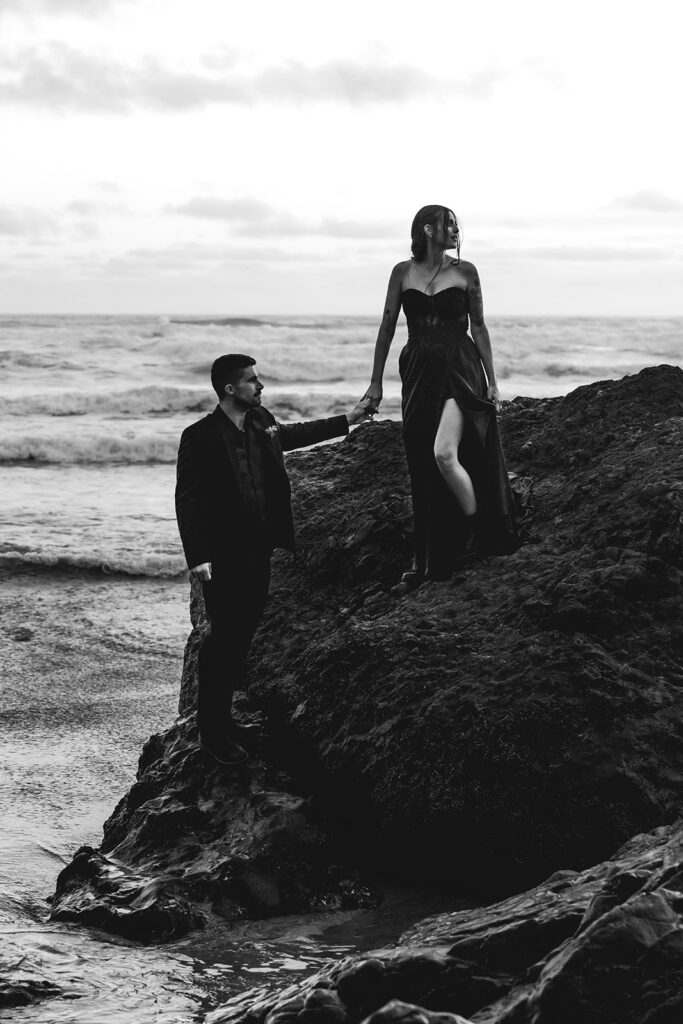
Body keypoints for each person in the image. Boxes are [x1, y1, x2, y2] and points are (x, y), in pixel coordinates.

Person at [176, 354, 372, 765]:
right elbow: (188, 500)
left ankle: (224, 720)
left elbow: (294, 434)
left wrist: (348, 419)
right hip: (222, 555)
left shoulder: (262, 420)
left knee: (242, 636)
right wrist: (197, 557)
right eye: (252, 380)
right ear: (230, 389)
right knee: (220, 641)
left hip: (257, 548)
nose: (260, 385)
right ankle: (210, 732)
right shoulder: (199, 435)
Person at [362, 205, 518, 592]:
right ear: (426, 229)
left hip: (459, 367)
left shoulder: (465, 272)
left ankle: (475, 528)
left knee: (444, 454)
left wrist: (494, 382)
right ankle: (428, 557)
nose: (454, 231)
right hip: (417, 369)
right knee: (422, 463)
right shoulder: (402, 271)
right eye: (448, 225)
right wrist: (375, 383)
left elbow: (479, 327)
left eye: (455, 226)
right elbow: (386, 326)